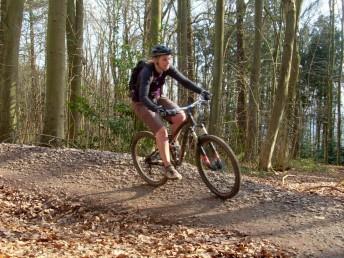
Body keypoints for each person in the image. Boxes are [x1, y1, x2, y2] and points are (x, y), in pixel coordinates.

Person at [131, 44, 210, 180]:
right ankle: (168, 168)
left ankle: (171, 143)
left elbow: (184, 81)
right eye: (164, 60)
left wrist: (201, 91)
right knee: (162, 132)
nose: (168, 62)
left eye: (170, 59)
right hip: (141, 102)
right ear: (156, 60)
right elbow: (143, 97)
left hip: (157, 97)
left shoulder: (167, 68)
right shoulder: (147, 72)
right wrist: (157, 109)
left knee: (181, 116)